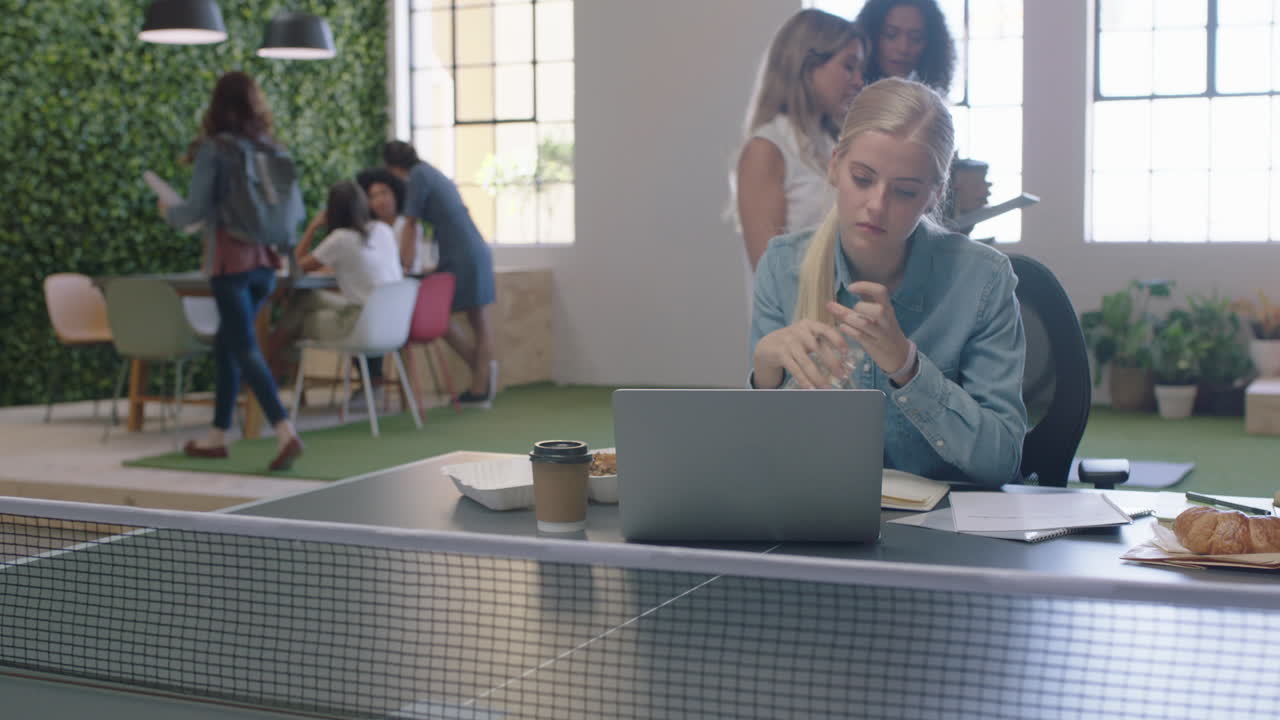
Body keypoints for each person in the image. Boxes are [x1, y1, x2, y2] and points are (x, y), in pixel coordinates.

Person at [749, 77, 1027, 488]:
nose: (877, 205)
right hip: (819, 519)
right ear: (834, 166)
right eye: (862, 178)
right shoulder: (783, 266)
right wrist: (763, 375)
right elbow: (761, 461)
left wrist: (908, 367)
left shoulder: (984, 280)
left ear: (934, 195)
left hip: (948, 533)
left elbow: (1002, 460)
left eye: (905, 192)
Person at [160, 70, 303, 471]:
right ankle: (217, 438)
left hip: (231, 263)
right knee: (228, 347)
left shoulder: (216, 149)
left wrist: (169, 211)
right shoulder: (269, 149)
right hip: (266, 264)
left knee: (242, 347)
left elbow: (195, 209)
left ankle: (285, 431)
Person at [734, 9, 866, 272]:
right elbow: (768, 271)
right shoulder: (766, 148)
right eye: (849, 67)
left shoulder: (832, 144)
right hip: (797, 311)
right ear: (808, 65)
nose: (859, 81)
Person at [383, 141, 498, 408]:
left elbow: (410, 224)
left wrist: (404, 263)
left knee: (468, 317)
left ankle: (481, 385)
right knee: (475, 317)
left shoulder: (417, 177)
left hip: (463, 252)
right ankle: (482, 376)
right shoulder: (430, 172)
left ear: (393, 167)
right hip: (468, 248)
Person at [273, 180, 403, 358]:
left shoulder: (340, 238)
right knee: (305, 298)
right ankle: (272, 367)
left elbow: (294, 267)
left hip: (362, 327)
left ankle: (268, 365)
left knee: (300, 315)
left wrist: (312, 227)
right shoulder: (384, 230)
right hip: (396, 325)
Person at [854, 0, 955, 95]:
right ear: (871, 36)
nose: (904, 48)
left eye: (916, 38)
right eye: (891, 35)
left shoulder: (928, 101)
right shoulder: (849, 95)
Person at [356, 167, 438, 274]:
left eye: (384, 193)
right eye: (373, 196)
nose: (380, 200)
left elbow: (406, 264)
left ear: (396, 195)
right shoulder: (369, 229)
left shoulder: (408, 226)